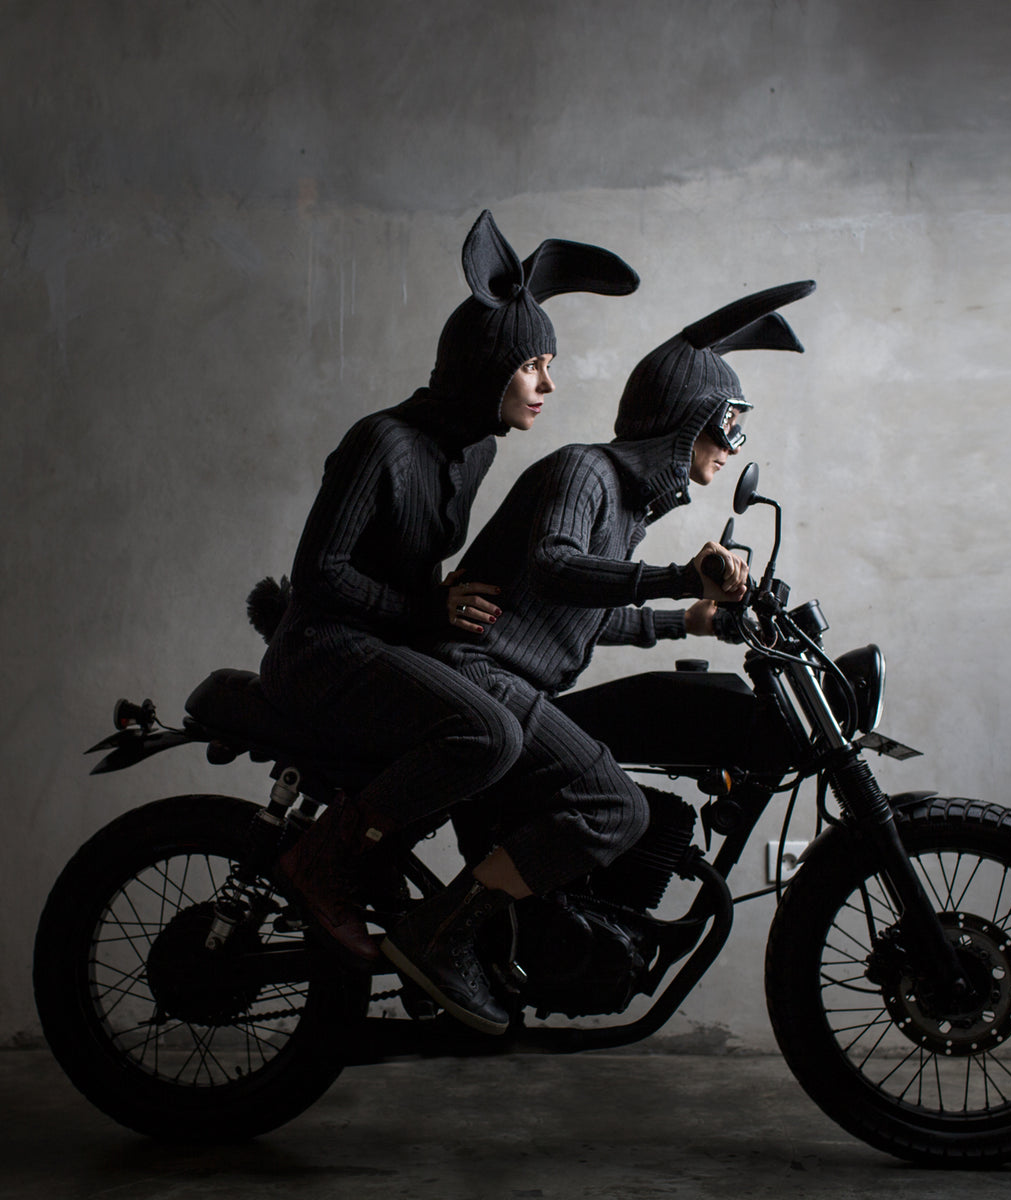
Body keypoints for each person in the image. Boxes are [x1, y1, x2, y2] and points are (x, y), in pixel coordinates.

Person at [382, 280, 815, 1034]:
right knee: (615, 805)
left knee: (618, 775)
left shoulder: (622, 504)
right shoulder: (587, 471)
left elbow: (577, 613)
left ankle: (522, 930)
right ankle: (443, 931)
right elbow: (555, 566)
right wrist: (678, 576)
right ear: (687, 421)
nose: (733, 444)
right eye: (729, 425)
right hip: (479, 675)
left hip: (515, 679)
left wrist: (692, 620)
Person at [255, 210, 639, 969]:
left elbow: (407, 564)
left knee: (499, 728)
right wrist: (430, 607)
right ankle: (323, 857)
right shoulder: (382, 442)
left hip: (382, 647)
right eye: (533, 365)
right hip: (322, 648)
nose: (548, 384)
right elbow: (320, 574)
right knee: (490, 731)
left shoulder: (475, 454)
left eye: (548, 366)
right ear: (487, 362)